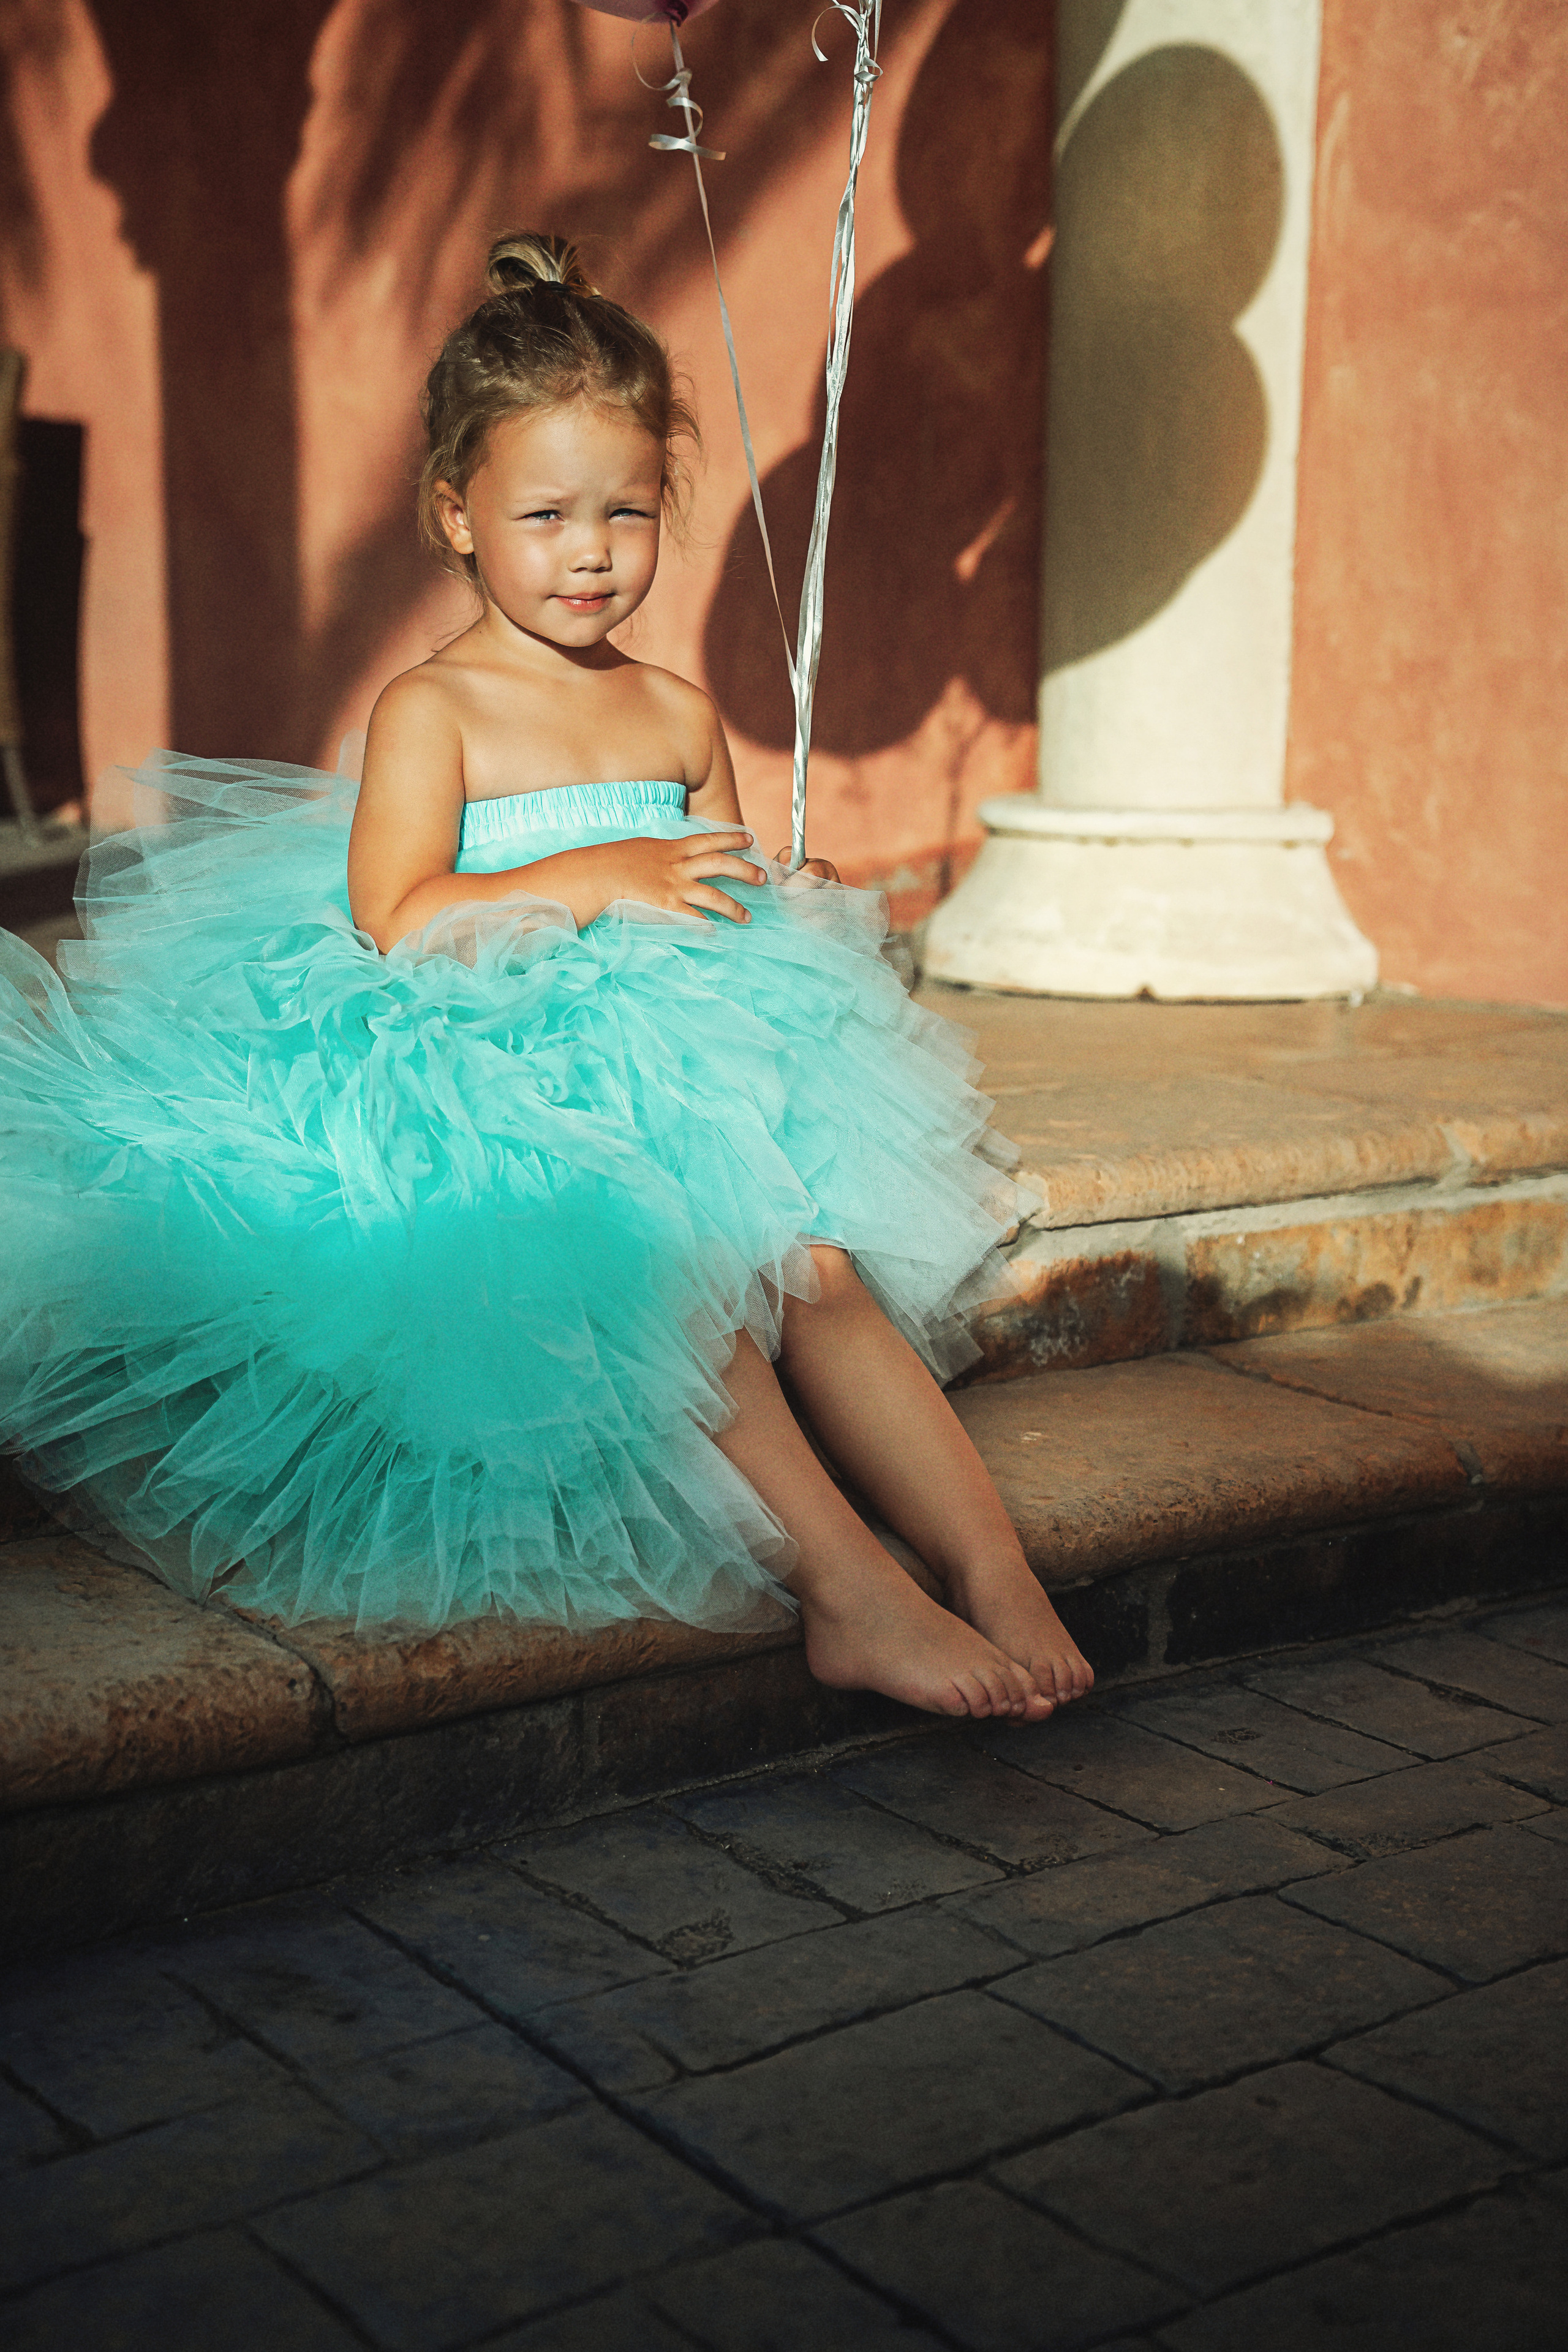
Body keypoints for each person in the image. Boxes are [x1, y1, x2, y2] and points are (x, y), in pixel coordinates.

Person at [0, 233, 1091, 1723]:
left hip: (685, 1058)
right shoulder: (434, 709)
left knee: (816, 1272)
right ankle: (848, 1586)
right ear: (457, 515)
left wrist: (776, 896)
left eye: (626, 513)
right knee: (689, 1282)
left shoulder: (673, 708)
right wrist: (589, 880)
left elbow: (707, 875)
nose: (591, 552)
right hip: (492, 1061)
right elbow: (395, 912)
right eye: (546, 515)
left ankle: (992, 1564)